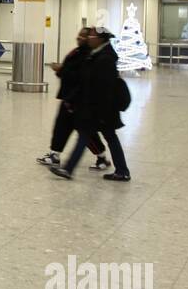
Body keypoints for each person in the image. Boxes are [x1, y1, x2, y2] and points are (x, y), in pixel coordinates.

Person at [50, 27, 131, 182]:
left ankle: (69, 169)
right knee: (92, 137)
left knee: (96, 137)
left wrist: (99, 112)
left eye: (92, 36)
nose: (89, 39)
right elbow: (85, 81)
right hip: (96, 109)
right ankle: (121, 170)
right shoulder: (96, 55)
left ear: (101, 39)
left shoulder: (105, 59)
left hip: (101, 110)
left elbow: (104, 89)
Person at [37, 27, 111, 170]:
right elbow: (67, 71)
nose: (80, 38)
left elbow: (80, 77)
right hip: (68, 97)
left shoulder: (89, 56)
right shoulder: (76, 52)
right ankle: (55, 154)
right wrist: (61, 71)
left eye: (84, 36)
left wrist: (62, 70)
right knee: (61, 126)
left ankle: (101, 156)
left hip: (78, 100)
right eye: (79, 35)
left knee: (85, 132)